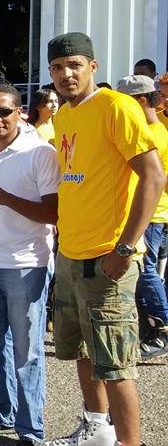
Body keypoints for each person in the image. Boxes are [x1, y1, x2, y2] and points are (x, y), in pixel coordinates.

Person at [45, 33, 164, 446]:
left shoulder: (116, 107)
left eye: (74, 65)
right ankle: (96, 429)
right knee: (80, 351)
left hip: (108, 258)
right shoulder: (64, 116)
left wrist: (126, 248)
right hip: (70, 254)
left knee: (115, 365)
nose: (66, 74)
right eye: (58, 68)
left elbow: (153, 176)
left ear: (93, 66)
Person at [0, 84, 60, 445]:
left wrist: (4, 197)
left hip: (26, 263)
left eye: (4, 111)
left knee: (28, 351)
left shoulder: (39, 152)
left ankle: (30, 429)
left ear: (20, 112)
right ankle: (0, 413)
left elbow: (52, 212)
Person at [114, 75, 168, 362]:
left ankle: (162, 328)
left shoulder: (153, 133)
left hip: (151, 213)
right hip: (152, 212)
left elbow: (156, 177)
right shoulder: (155, 128)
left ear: (142, 100)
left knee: (146, 270)